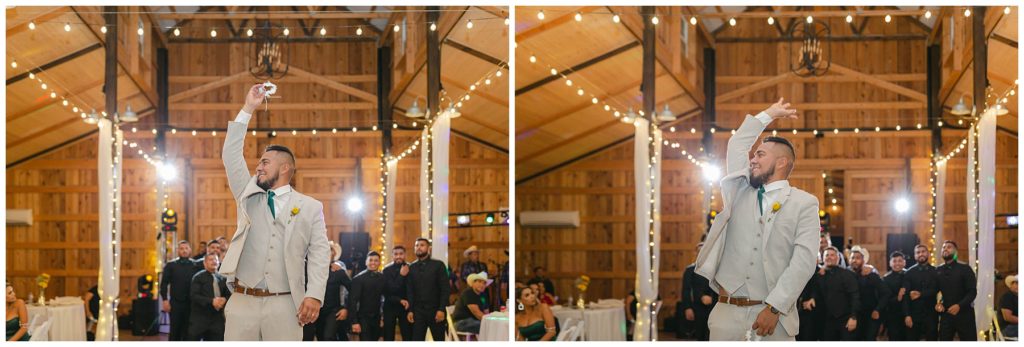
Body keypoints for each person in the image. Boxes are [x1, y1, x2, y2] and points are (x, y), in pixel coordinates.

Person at [694, 98, 819, 340]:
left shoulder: (804, 203)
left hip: (774, 317)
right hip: (726, 314)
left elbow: (804, 261)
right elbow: (737, 145)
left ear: (781, 162)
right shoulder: (739, 190)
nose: (752, 159)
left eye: (760, 154)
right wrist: (768, 114)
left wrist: (774, 307)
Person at [219, 84, 331, 341]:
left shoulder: (310, 207)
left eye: (265, 162)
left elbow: (319, 253)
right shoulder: (247, 194)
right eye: (259, 162)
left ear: (285, 169)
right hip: (242, 300)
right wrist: (248, 108)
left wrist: (314, 294)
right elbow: (230, 155)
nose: (258, 167)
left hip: (285, 303)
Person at [304, 241, 351, 341]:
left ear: (333, 254)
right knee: (311, 337)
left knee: (328, 337)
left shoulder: (339, 271)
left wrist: (346, 308)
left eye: (329, 251)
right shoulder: (310, 270)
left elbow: (353, 291)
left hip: (332, 311)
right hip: (313, 310)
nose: (325, 253)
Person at [406, 238, 450, 341]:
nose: (419, 247)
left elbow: (445, 288)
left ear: (429, 248)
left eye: (422, 245)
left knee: (439, 340)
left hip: (435, 310)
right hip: (418, 312)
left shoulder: (438, 265)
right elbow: (410, 291)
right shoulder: (411, 267)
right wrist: (410, 310)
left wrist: (441, 309)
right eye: (416, 245)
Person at [935, 241, 977, 341]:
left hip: (965, 314)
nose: (945, 249)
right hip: (946, 314)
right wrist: (938, 303)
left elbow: (972, 292)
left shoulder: (965, 269)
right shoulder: (938, 270)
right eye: (943, 247)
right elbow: (935, 290)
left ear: (956, 251)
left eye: (949, 247)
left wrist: (959, 306)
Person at [160, 240, 202, 341]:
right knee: (175, 330)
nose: (184, 251)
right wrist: (165, 300)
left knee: (189, 330)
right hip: (175, 303)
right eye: (182, 248)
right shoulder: (171, 265)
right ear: (177, 250)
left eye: (186, 248)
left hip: (191, 304)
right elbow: (164, 284)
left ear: (190, 250)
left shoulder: (196, 265)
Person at [188, 254, 232, 341]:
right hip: (200, 317)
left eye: (216, 259)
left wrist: (225, 299)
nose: (214, 261)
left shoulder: (223, 278)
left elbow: (228, 294)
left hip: (217, 318)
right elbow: (194, 296)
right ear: (204, 263)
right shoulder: (198, 277)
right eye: (211, 259)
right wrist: (211, 301)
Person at [849, 246, 889, 340]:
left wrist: (878, 309)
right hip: (853, 315)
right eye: (852, 258)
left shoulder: (872, 275)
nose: (854, 260)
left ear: (864, 260)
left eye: (858, 258)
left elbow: (886, 293)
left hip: (871, 315)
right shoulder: (846, 274)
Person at [819, 246, 859, 341]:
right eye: (826, 255)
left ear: (838, 258)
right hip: (826, 321)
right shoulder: (818, 274)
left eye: (832, 255)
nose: (829, 257)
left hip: (846, 320)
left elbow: (855, 296)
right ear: (823, 258)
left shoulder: (848, 274)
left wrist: (854, 317)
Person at [681, 242, 717, 341]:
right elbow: (686, 290)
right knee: (700, 335)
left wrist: (712, 298)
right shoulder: (690, 270)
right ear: (696, 253)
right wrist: (688, 307)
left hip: (713, 306)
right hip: (697, 307)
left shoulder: (714, 269)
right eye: (699, 251)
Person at [902, 244, 938, 341]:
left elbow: (936, 290)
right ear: (915, 256)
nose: (921, 254)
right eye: (918, 252)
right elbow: (905, 296)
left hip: (931, 314)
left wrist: (921, 294)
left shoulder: (935, 271)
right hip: (914, 315)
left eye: (923, 251)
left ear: (928, 254)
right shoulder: (909, 273)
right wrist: (907, 315)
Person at [349, 251, 385, 341]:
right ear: (366, 262)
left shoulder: (382, 278)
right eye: (371, 260)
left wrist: (382, 317)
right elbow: (352, 301)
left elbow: (384, 298)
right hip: (363, 318)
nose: (373, 263)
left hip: (377, 318)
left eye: (376, 260)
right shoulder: (358, 279)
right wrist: (354, 322)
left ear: (379, 262)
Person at [382, 246, 413, 341]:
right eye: (396, 254)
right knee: (388, 336)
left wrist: (411, 307)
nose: (398, 256)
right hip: (390, 305)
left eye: (401, 254)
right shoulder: (386, 270)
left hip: (406, 307)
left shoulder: (411, 268)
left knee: (408, 336)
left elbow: (411, 290)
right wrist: (401, 275)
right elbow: (388, 290)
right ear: (392, 256)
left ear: (405, 255)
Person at [796, 249, 824, 341]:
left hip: (812, 311)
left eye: (815, 257)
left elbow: (819, 288)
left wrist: (813, 298)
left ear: (818, 260)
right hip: (797, 310)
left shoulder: (821, 272)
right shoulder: (799, 270)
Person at [882, 251, 909, 341]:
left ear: (904, 262)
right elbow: (885, 298)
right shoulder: (886, 279)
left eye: (900, 261)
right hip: (893, 315)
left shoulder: (909, 274)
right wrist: (898, 297)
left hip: (910, 313)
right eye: (894, 261)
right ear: (890, 263)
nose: (897, 263)